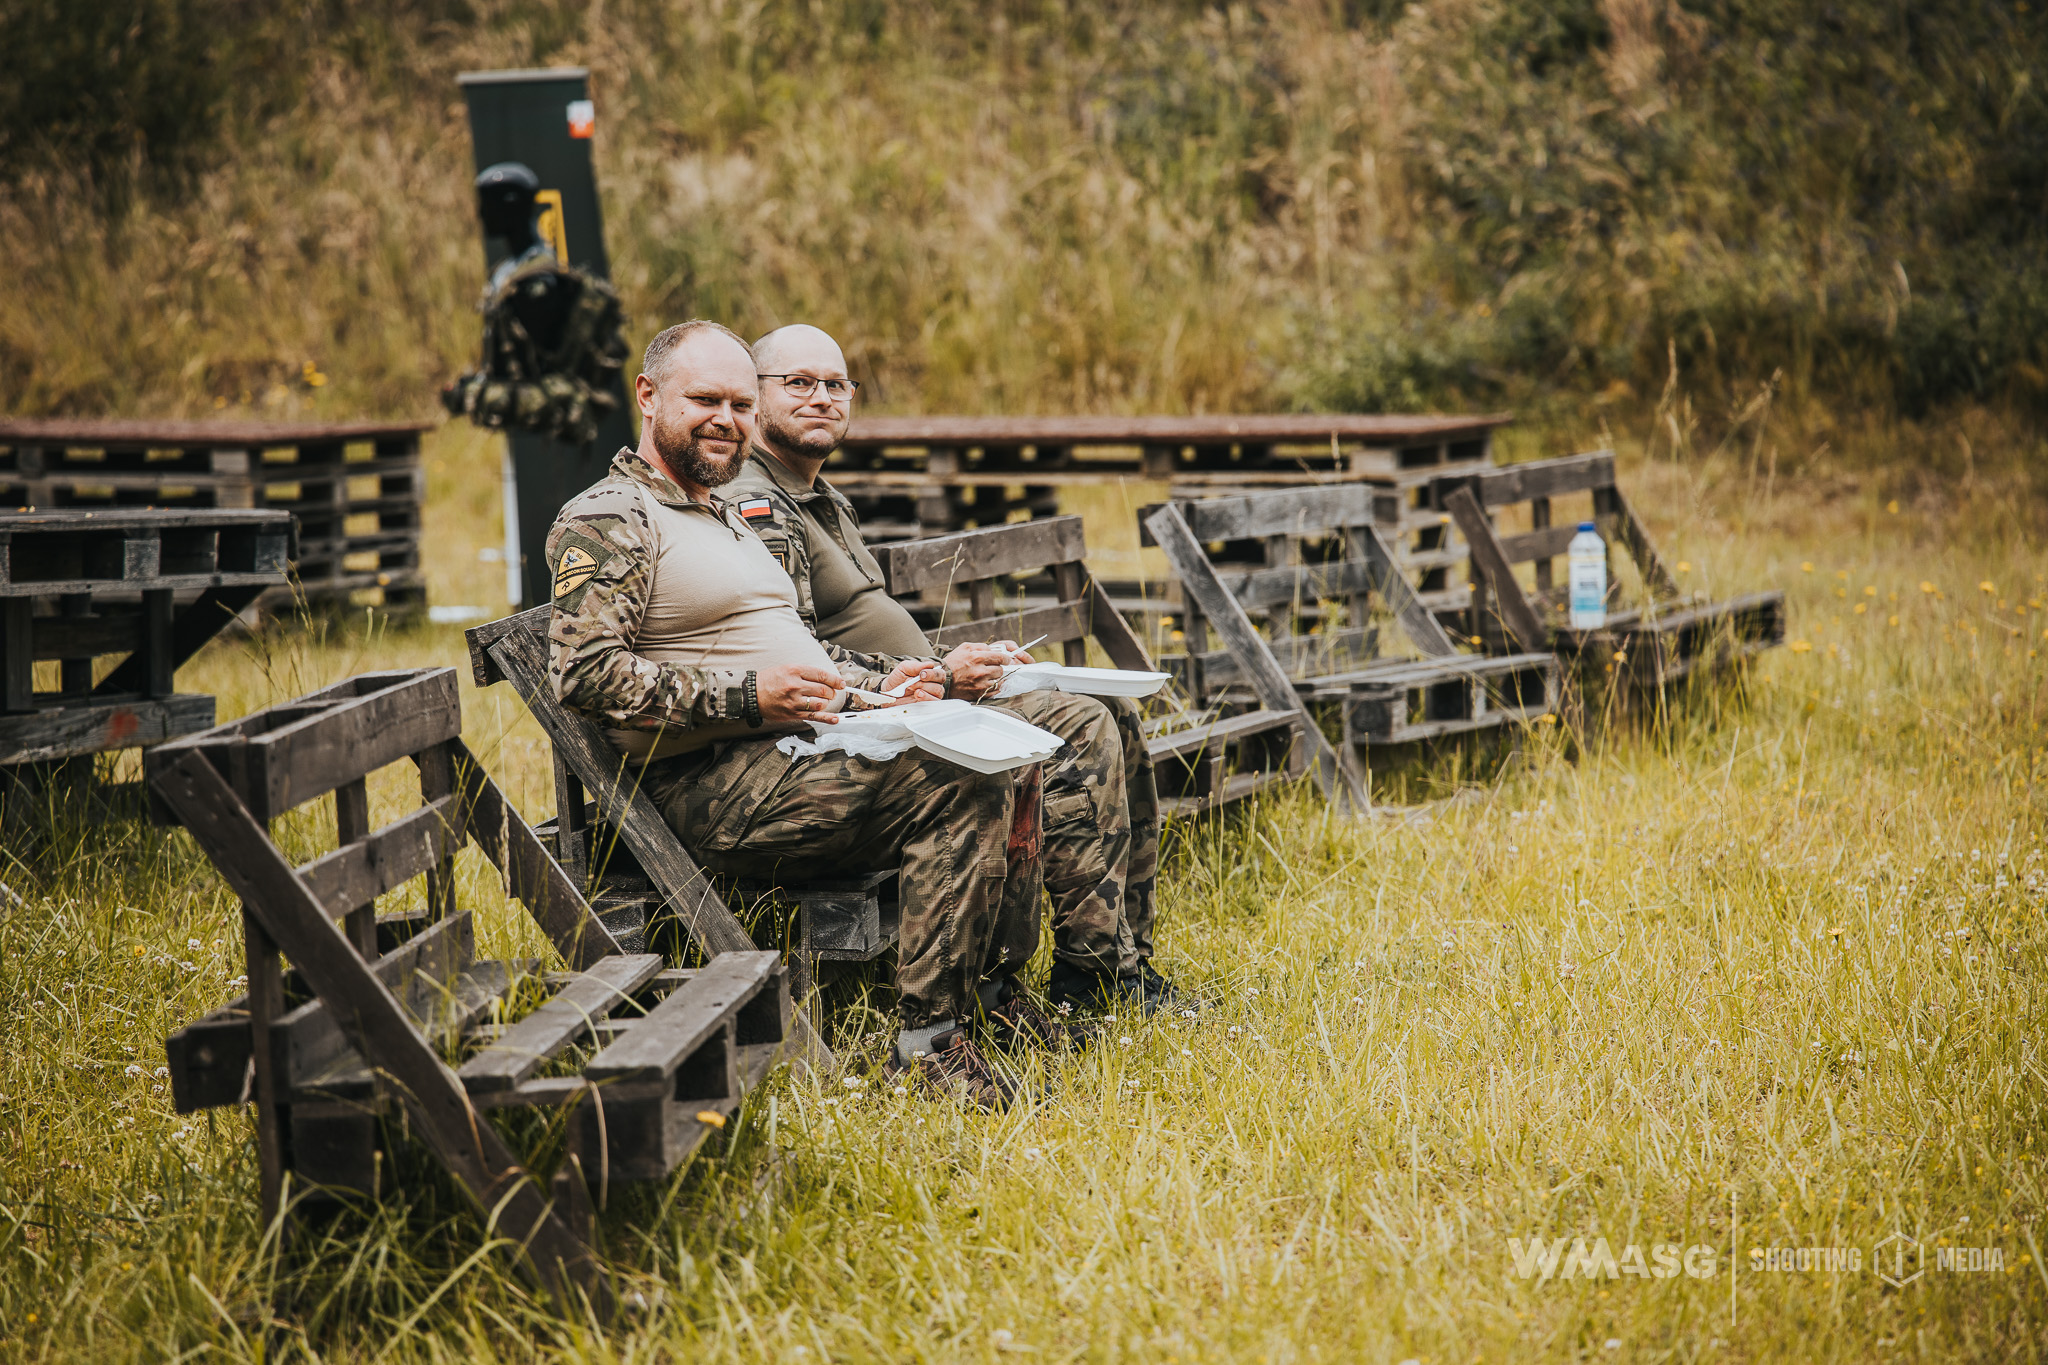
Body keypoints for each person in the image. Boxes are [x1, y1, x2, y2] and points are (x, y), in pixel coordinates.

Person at [544, 319, 1072, 1106]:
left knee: (1012, 746)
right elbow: (586, 675)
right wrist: (750, 697)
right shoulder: (612, 517)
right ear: (649, 398)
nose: (726, 419)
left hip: (794, 754)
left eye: (737, 403)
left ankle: (994, 998)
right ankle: (927, 1048)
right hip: (714, 786)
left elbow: (811, 661)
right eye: (703, 401)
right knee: (962, 778)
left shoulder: (720, 513)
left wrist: (925, 678)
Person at [724, 323, 1186, 1015]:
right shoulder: (756, 503)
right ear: (753, 397)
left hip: (912, 702)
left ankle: (1121, 960)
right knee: (1082, 728)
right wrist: (939, 676)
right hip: (853, 728)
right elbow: (796, 652)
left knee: (1113, 714)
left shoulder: (820, 495)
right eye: (797, 383)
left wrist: (950, 665)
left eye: (836, 384)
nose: (822, 397)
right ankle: (1090, 978)